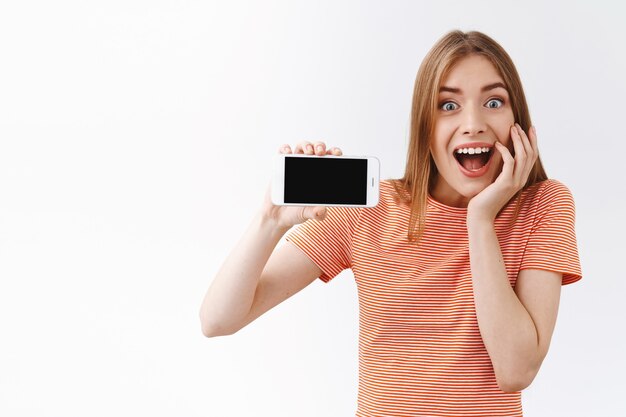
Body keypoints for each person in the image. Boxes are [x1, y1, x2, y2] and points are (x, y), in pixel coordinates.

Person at [199, 30, 582, 417]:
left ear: (518, 121)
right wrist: (270, 221)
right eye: (448, 105)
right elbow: (218, 320)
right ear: (424, 126)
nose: (473, 123)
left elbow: (516, 370)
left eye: (494, 102)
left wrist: (480, 220)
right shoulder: (371, 209)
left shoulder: (544, 206)